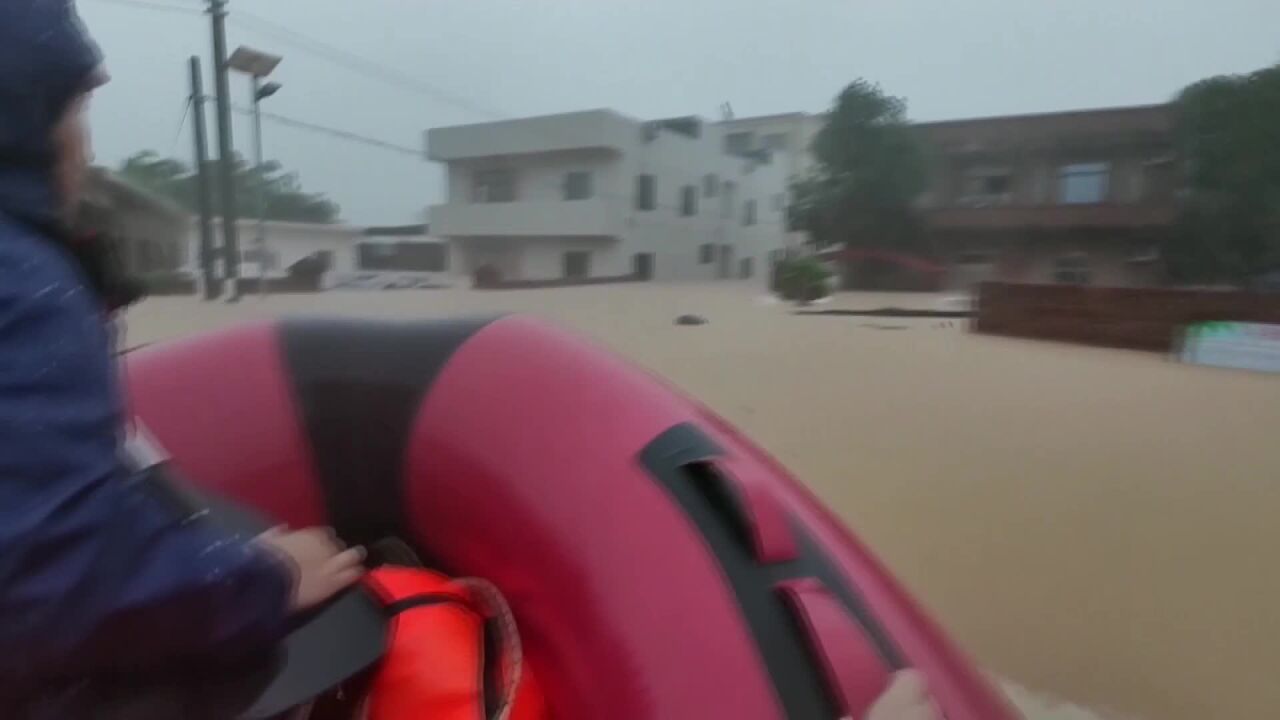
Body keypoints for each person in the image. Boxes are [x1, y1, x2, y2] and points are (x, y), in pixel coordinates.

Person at [0, 2, 364, 716]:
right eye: (75, 105)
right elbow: (57, 579)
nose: (84, 142)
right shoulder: (24, 286)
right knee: (338, 639)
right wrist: (266, 580)